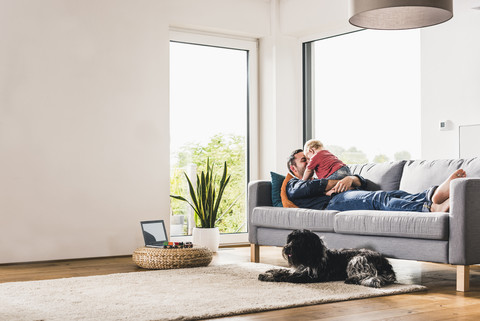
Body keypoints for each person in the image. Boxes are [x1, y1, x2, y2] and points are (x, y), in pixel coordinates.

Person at [286, 149, 465, 213]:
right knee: (378, 199)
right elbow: (309, 188)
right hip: (331, 203)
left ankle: (433, 195)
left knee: (394, 194)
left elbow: (362, 182)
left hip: (346, 193)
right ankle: (432, 208)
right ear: (293, 169)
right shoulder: (293, 184)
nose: (310, 162)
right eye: (304, 161)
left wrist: (350, 178)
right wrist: (334, 185)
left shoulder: (323, 173)